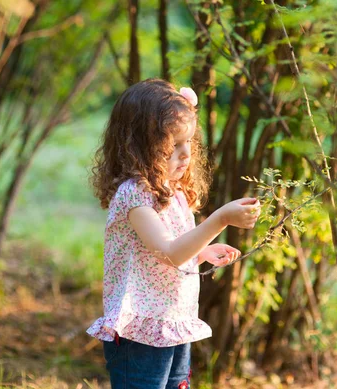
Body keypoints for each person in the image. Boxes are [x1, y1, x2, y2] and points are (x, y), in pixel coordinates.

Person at [87, 78, 260, 389]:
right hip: (139, 330)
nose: (185, 155)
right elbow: (168, 252)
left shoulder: (172, 191)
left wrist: (201, 252)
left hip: (173, 321)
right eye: (172, 145)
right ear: (140, 146)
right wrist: (220, 219)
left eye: (189, 144)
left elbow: (169, 249)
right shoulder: (134, 195)